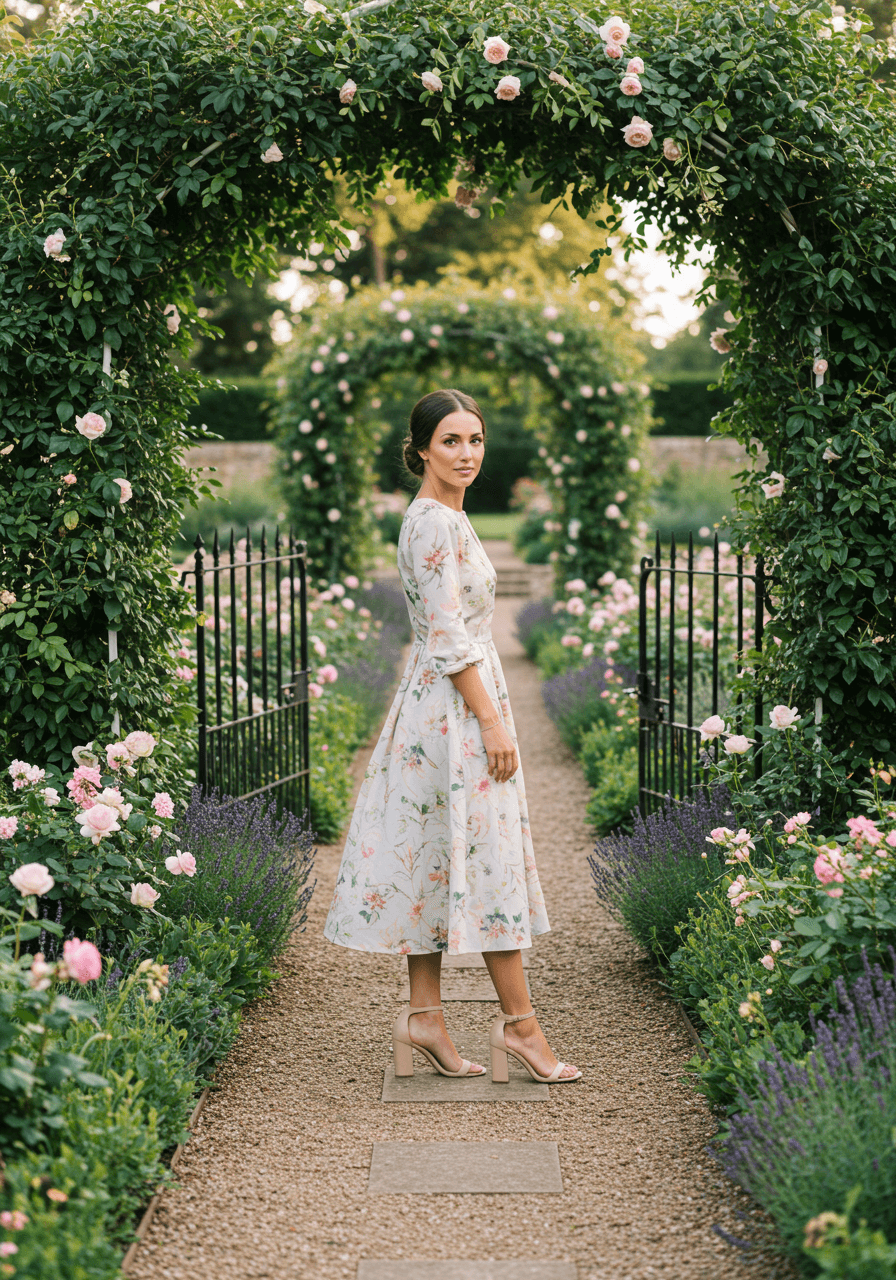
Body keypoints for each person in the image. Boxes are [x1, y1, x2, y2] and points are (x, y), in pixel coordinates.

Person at [324, 389, 580, 1084]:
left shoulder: (444, 520)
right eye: (451, 442)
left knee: (436, 856)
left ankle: (426, 1015)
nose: (466, 453)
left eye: (475, 440)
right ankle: (522, 1030)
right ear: (420, 451)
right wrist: (493, 721)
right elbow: (446, 634)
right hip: (456, 711)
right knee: (488, 863)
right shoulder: (432, 524)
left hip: (447, 703)